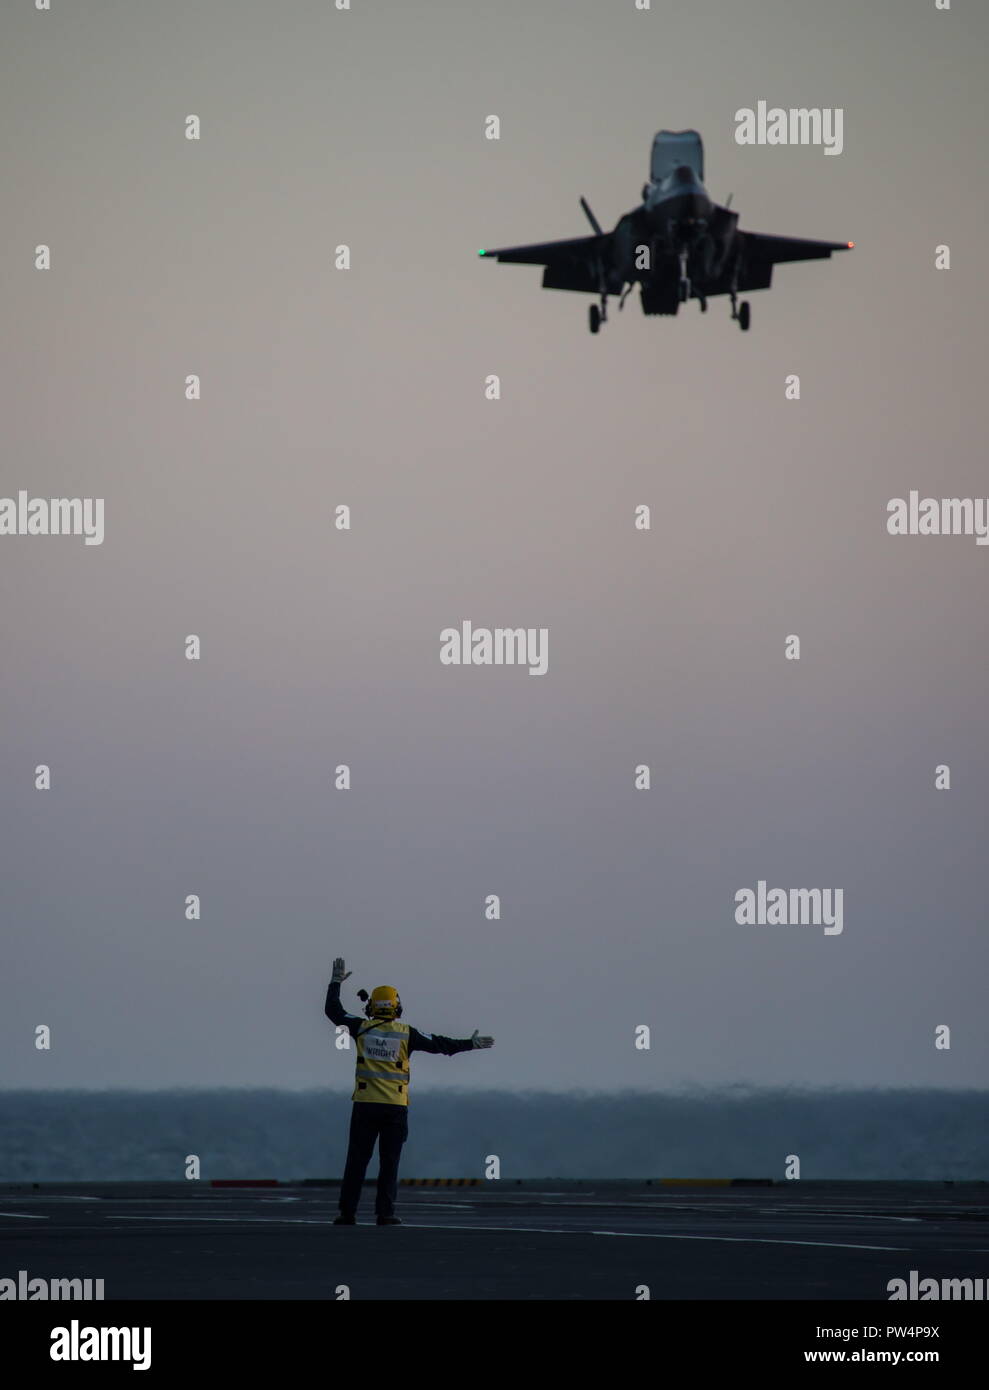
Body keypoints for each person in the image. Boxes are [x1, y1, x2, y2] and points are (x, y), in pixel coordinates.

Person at [324, 957, 494, 1225]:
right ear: (397, 1007)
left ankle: (347, 1213)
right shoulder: (406, 1033)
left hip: (365, 1105)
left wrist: (335, 983)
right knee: (389, 1163)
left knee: (357, 1161)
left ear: (371, 1007)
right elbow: (441, 1044)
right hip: (395, 1107)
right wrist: (470, 1044)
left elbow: (334, 1011)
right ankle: (385, 1213)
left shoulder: (361, 1028)